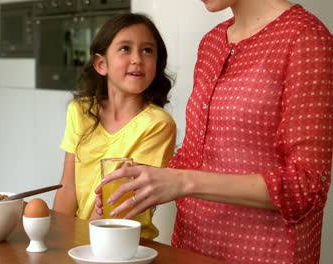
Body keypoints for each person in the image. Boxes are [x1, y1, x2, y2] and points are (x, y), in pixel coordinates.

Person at [96, 1, 332, 263]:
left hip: (264, 253)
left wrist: (183, 182)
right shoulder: (212, 42)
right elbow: (195, 154)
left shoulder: (306, 38)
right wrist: (145, 183)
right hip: (190, 248)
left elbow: (307, 186)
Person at [53, 13, 177, 240]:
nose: (137, 59)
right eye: (125, 49)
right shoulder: (80, 111)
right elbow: (68, 186)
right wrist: (58, 238)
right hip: (80, 237)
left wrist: (82, 243)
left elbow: (123, 202)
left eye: (147, 50)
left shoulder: (158, 125)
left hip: (127, 241)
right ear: (101, 64)